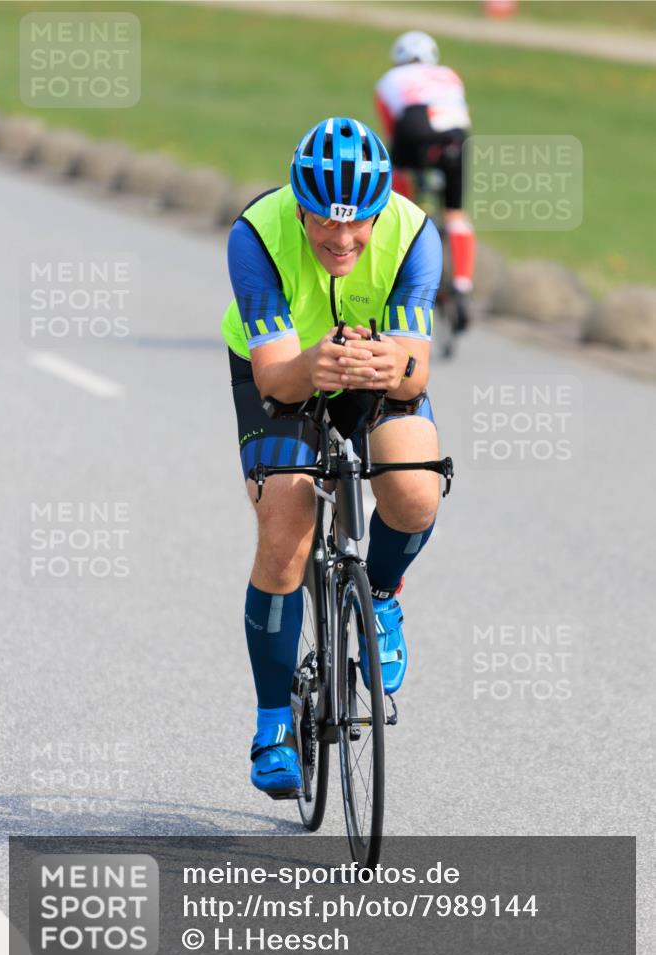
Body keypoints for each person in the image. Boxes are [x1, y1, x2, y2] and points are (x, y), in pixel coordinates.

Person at [221, 117, 443, 798]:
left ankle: (380, 595)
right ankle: (272, 725)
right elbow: (274, 380)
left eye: (357, 223)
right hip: (285, 372)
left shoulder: (414, 235)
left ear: (379, 211)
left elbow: (415, 373)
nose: (341, 239)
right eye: (323, 220)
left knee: (415, 488)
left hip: (373, 370)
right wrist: (313, 364)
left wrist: (394, 367)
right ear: (300, 206)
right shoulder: (256, 235)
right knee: (286, 524)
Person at [374, 30, 476, 330]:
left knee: (395, 174)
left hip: (414, 126)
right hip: (456, 135)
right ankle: (463, 283)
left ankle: (399, 220)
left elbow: (391, 128)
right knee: (455, 212)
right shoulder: (449, 74)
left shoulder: (388, 80)